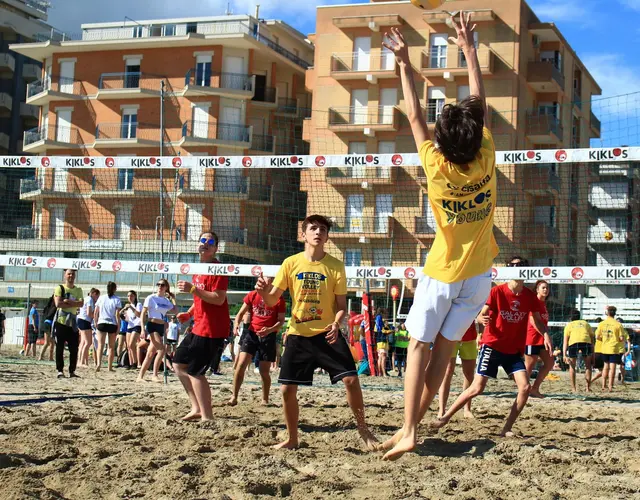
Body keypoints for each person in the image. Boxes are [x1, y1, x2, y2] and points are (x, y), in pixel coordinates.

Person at [380, 12, 498, 460]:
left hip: (443, 273)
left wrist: (404, 61)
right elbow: (479, 100)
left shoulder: (435, 163)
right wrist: (467, 47)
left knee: (417, 349)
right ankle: (412, 428)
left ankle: (408, 429)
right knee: (443, 355)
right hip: (480, 276)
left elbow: (413, 113)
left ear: (443, 141)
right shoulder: (486, 153)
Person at [255, 214, 378, 450]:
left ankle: (364, 430)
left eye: (323, 229)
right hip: (298, 333)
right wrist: (263, 291)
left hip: (327, 333)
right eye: (313, 228)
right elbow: (272, 300)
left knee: (352, 380)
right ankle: (292, 438)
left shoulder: (335, 265)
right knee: (287, 388)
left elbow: (341, 307)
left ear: (327, 237)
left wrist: (337, 323)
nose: (318, 232)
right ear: (304, 235)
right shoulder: (290, 263)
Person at [432, 256, 549, 437]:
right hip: (493, 345)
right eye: (513, 266)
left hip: (513, 350)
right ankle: (445, 416)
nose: (517, 268)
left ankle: (506, 429)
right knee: (477, 388)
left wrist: (546, 335)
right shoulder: (497, 292)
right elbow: (481, 314)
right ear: (509, 269)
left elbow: (537, 321)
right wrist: (480, 319)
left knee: (525, 388)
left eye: (521, 266)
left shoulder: (529, 296)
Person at [174, 231, 229, 421]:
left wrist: (193, 289)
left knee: (195, 371)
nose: (205, 243)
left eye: (210, 241)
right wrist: (189, 313)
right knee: (178, 365)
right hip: (198, 325)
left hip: (212, 329)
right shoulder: (198, 269)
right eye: (203, 240)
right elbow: (198, 297)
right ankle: (196, 408)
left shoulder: (218, 269)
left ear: (215, 248)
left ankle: (207, 417)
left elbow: (219, 299)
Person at [228, 282, 286, 407]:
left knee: (264, 372)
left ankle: (265, 399)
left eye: (269, 281)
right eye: (263, 282)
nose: (265, 284)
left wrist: (270, 330)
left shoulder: (278, 299)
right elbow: (240, 313)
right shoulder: (253, 295)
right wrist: (236, 324)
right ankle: (234, 396)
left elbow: (281, 321)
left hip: (268, 336)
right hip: (252, 333)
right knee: (241, 365)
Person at [137, 278, 177, 382]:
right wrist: (142, 329)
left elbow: (175, 311)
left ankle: (140, 377)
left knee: (150, 353)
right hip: (152, 325)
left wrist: (173, 299)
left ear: (166, 287)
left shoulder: (166, 301)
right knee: (162, 350)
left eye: (162, 285)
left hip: (160, 327)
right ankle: (154, 375)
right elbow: (143, 314)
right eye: (158, 284)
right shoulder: (151, 298)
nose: (160, 286)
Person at [437, 322, 478, 419]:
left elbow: (481, 315)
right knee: (447, 372)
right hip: (450, 336)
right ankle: (441, 409)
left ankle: (467, 409)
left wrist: (480, 334)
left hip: (470, 338)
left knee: (469, 374)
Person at [52, 269, 84, 378]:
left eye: (73, 274)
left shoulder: (78, 290)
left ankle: (72, 371)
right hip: (61, 322)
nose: (71, 276)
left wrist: (68, 302)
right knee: (59, 347)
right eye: (69, 274)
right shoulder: (60, 288)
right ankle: (60, 370)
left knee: (74, 348)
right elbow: (58, 304)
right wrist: (73, 304)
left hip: (73, 323)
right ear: (65, 275)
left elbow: (81, 303)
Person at [524, 280, 553, 397]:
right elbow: (534, 321)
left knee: (550, 362)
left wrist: (546, 335)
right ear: (537, 289)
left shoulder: (543, 303)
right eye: (543, 288)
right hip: (532, 338)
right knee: (529, 366)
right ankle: (524, 390)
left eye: (547, 288)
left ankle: (534, 389)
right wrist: (545, 334)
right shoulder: (534, 302)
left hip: (542, 338)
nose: (546, 290)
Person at [562, 310, 595, 393]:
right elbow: (592, 338)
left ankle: (573, 388)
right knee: (588, 366)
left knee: (572, 366)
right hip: (586, 341)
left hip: (573, 342)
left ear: (570, 317)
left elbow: (565, 341)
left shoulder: (569, 325)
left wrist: (564, 354)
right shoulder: (585, 323)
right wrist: (593, 351)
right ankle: (587, 388)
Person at [595, 306, 626, 392]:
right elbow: (621, 339)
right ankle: (610, 386)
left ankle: (603, 385)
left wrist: (605, 339)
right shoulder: (618, 324)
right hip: (614, 348)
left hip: (604, 348)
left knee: (605, 367)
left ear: (607, 313)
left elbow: (597, 337)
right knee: (612, 368)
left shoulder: (602, 323)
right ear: (614, 313)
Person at [94, 281, 122, 373]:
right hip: (112, 323)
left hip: (102, 322)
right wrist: (118, 326)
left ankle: (98, 364)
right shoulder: (117, 299)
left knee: (100, 345)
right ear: (114, 289)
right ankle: (109, 367)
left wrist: (95, 321)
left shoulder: (101, 298)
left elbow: (96, 312)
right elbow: (117, 315)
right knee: (111, 347)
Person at [77, 288, 99, 367]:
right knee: (88, 342)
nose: (97, 298)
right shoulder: (90, 300)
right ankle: (82, 362)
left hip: (81, 320)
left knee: (83, 343)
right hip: (85, 321)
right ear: (93, 293)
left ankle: (80, 361)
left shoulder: (85, 299)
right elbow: (89, 313)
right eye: (97, 296)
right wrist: (96, 317)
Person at [123, 290, 143, 369]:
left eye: (131, 296)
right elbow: (128, 319)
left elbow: (139, 315)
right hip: (130, 326)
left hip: (137, 325)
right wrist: (122, 314)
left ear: (134, 296)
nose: (130, 297)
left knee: (132, 344)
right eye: (128, 296)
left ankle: (135, 362)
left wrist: (131, 307)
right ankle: (131, 363)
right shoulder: (128, 307)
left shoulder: (138, 304)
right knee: (128, 346)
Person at [616, 318, 631, 385]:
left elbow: (628, 342)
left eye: (619, 322)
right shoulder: (614, 330)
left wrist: (628, 350)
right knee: (612, 365)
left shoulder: (624, 331)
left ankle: (622, 379)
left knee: (622, 366)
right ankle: (612, 380)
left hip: (622, 351)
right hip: (613, 350)